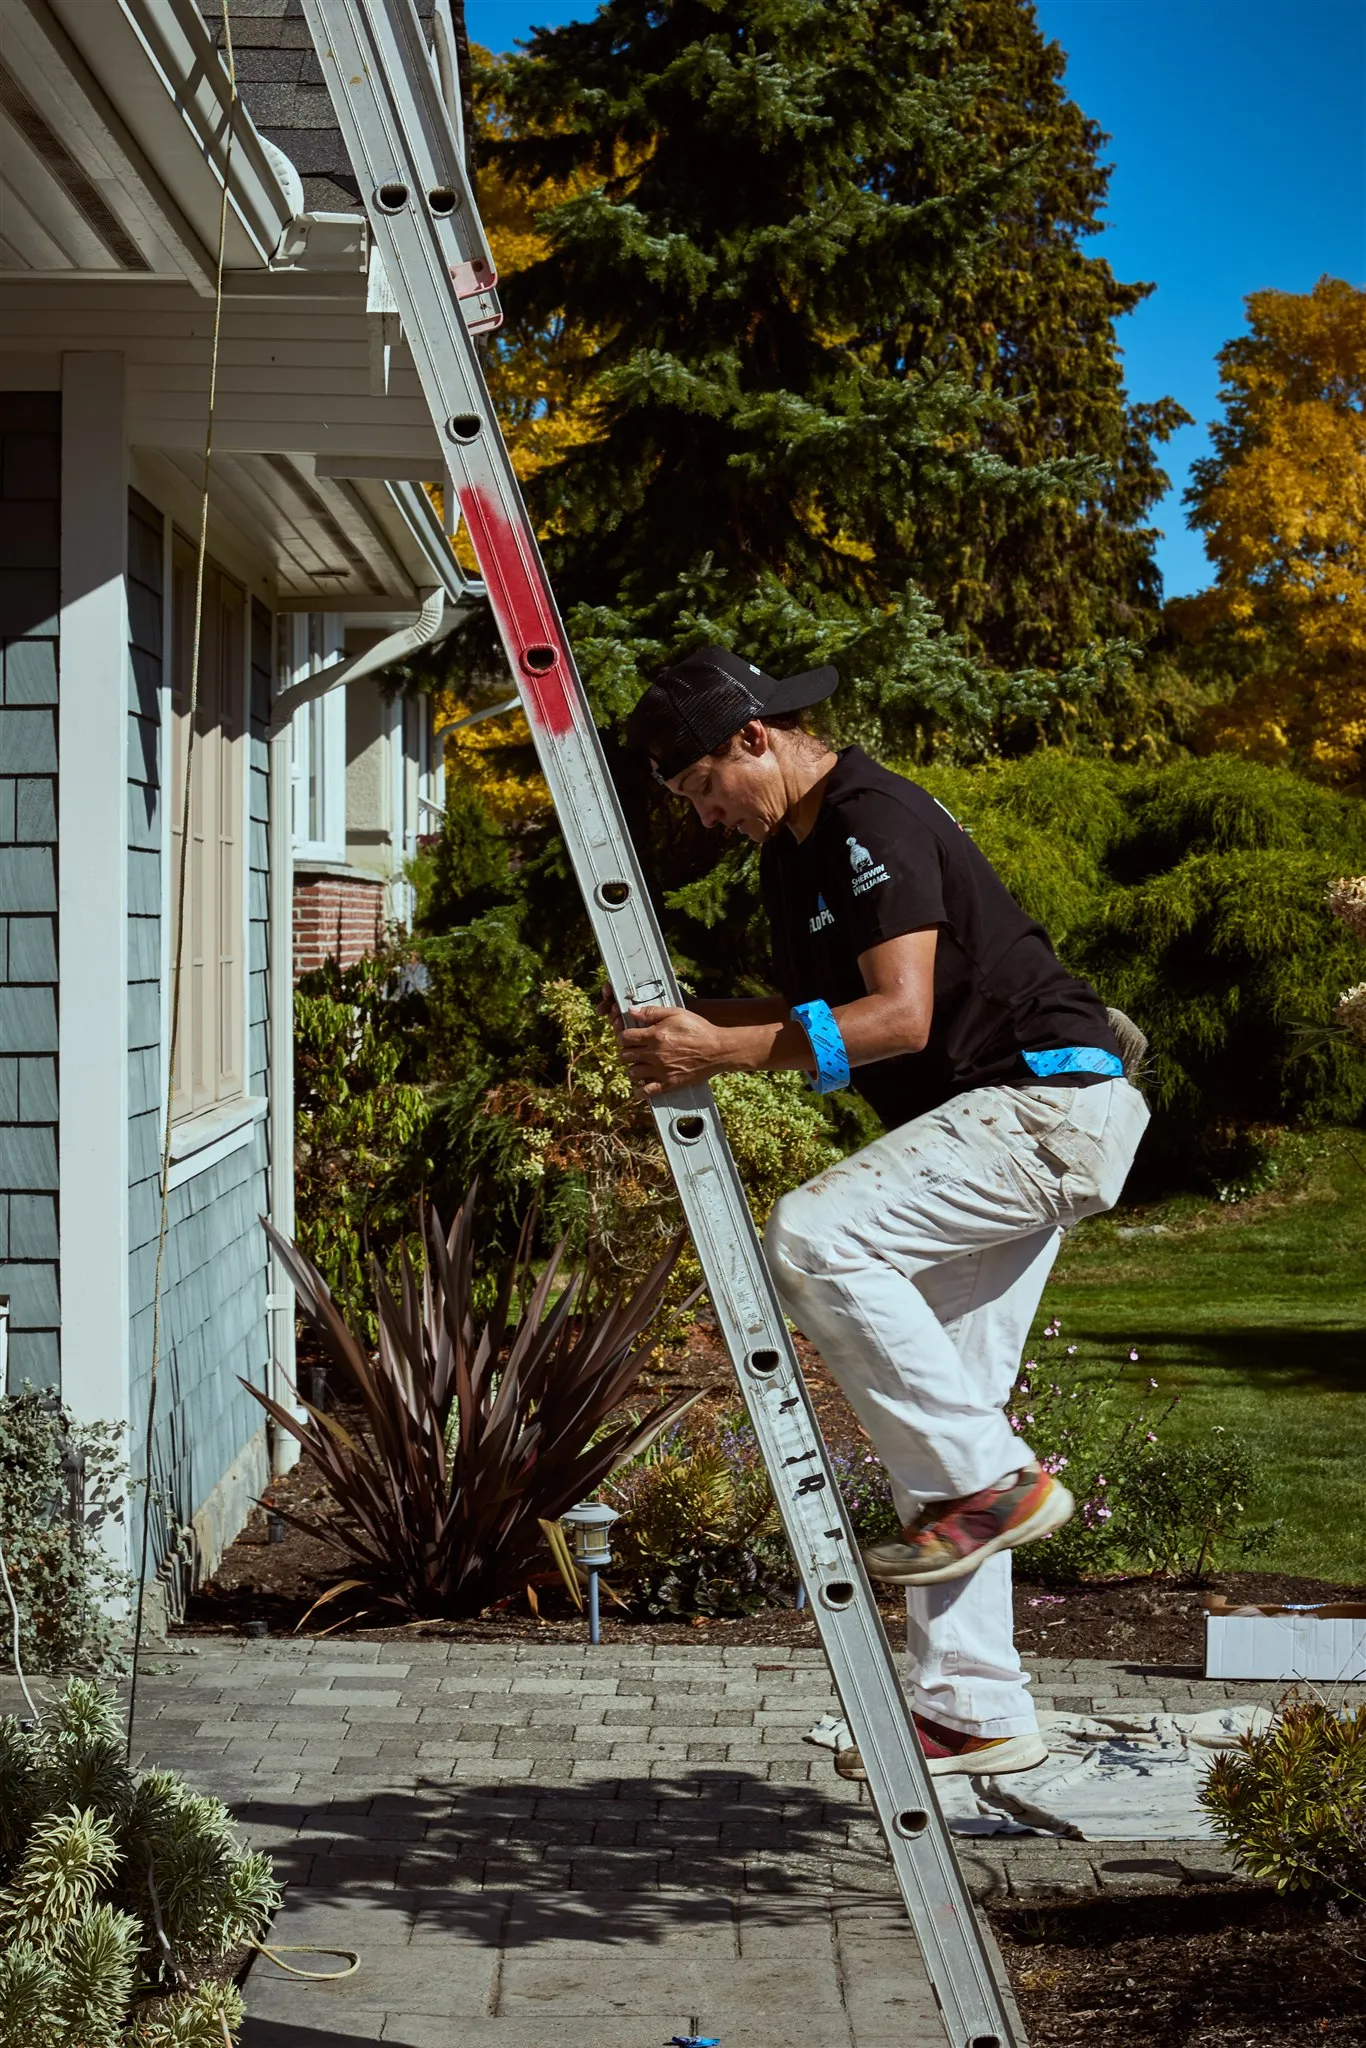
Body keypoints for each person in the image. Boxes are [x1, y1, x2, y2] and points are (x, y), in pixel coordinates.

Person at [615, 646, 1149, 1778]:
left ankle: (991, 1480)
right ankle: (975, 1707)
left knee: (816, 1234)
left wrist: (722, 1048)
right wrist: (694, 1022)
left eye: (707, 789)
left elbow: (898, 1019)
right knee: (943, 1420)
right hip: (1001, 1123)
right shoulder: (793, 854)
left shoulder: (869, 814)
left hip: (1042, 1105)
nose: (709, 817)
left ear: (752, 737)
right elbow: (823, 1010)